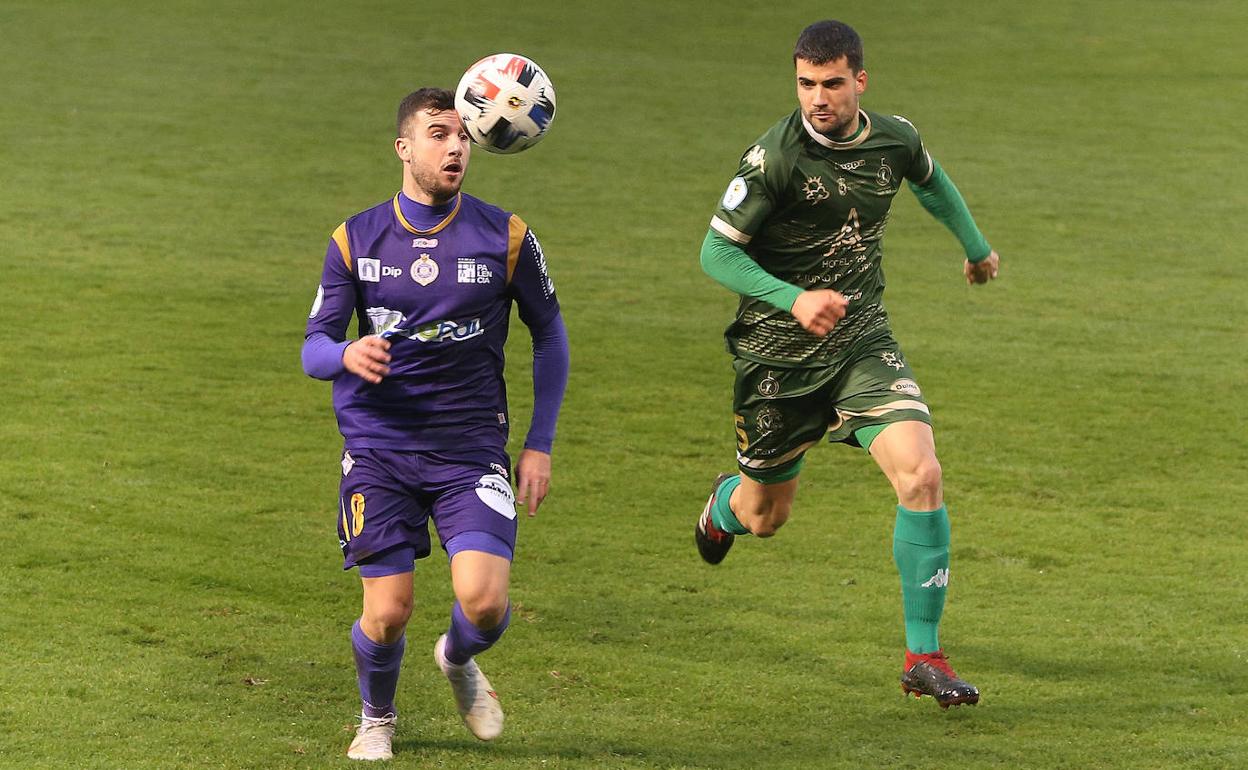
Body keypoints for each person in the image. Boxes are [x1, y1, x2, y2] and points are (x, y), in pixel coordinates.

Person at [693, 20, 998, 709]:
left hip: (861, 339)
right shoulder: (773, 158)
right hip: (777, 357)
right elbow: (716, 254)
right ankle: (723, 506)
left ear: (861, 80)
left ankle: (924, 656)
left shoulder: (894, 138)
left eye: (832, 83)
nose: (817, 98)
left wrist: (976, 249)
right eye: (806, 84)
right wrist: (793, 299)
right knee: (766, 515)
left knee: (921, 471)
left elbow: (931, 182)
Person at [301, 87, 569, 760]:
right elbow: (314, 346)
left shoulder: (506, 236)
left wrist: (538, 444)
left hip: (469, 451)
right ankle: (377, 718)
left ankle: (456, 657)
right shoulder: (355, 238)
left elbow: (551, 336)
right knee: (387, 612)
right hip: (378, 450)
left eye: (463, 137)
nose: (455, 147)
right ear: (405, 147)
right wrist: (345, 352)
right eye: (439, 134)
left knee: (482, 602)